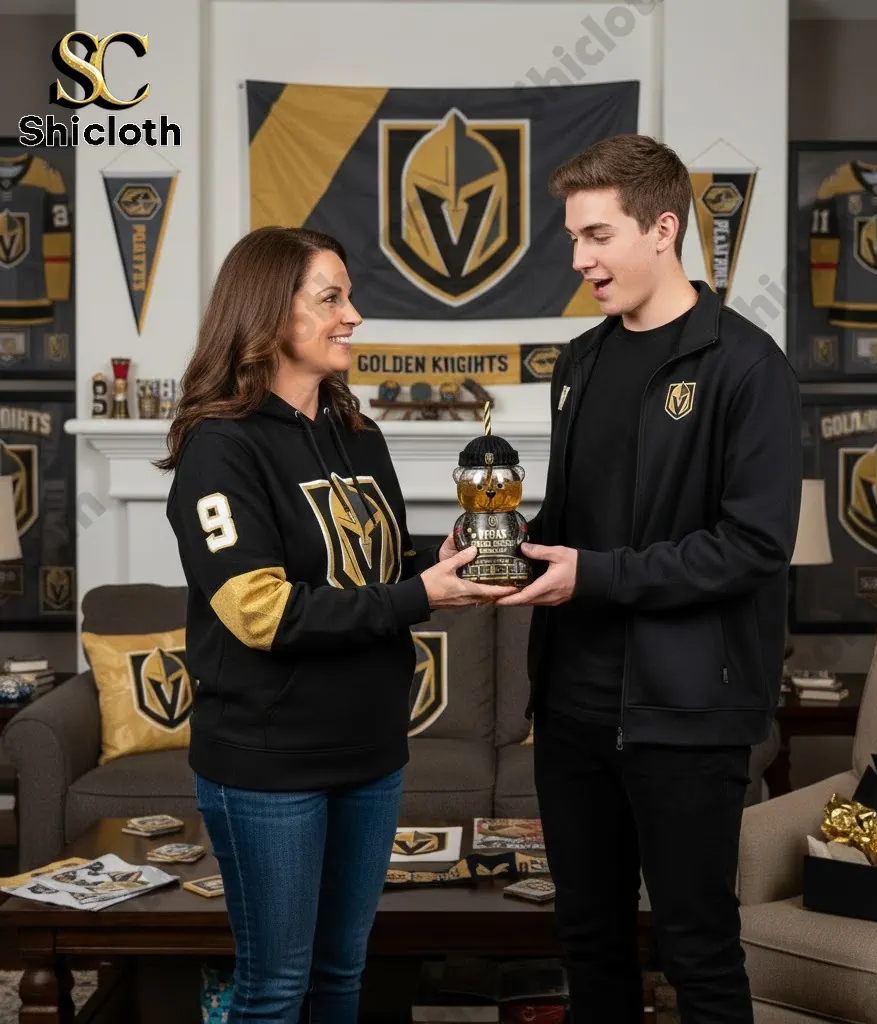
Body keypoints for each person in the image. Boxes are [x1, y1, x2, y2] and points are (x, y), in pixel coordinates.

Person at [159, 225, 515, 1024]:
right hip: (269, 762)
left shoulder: (358, 433)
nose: (353, 315)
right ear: (268, 313)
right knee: (275, 988)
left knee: (343, 975)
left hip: (372, 752)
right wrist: (421, 595)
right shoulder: (221, 449)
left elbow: (378, 567)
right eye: (331, 299)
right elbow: (261, 612)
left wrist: (444, 559)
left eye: (349, 297)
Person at [497, 134, 802, 1023]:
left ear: (663, 229)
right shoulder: (579, 362)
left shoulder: (748, 365)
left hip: (687, 714)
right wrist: (506, 544)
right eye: (574, 238)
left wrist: (593, 576)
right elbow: (578, 518)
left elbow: (753, 545)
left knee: (696, 950)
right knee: (588, 942)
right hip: (570, 710)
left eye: (597, 236)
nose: (579, 260)